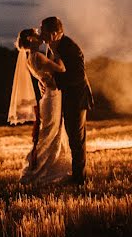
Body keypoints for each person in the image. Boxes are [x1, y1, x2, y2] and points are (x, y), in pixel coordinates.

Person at [13, 28, 71, 185]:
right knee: (50, 135)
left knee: (50, 133)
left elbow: (42, 76)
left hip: (48, 96)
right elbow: (61, 69)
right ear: (31, 39)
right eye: (36, 33)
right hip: (52, 96)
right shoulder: (37, 55)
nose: (40, 35)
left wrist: (42, 82)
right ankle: (41, 171)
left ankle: (47, 168)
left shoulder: (30, 58)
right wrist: (56, 51)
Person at [39, 16, 93, 185]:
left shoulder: (70, 47)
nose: (41, 35)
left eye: (44, 31)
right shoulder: (50, 47)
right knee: (67, 136)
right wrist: (44, 83)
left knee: (76, 139)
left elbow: (77, 76)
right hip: (62, 98)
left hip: (76, 98)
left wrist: (55, 82)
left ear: (54, 33)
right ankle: (70, 173)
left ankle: (79, 179)